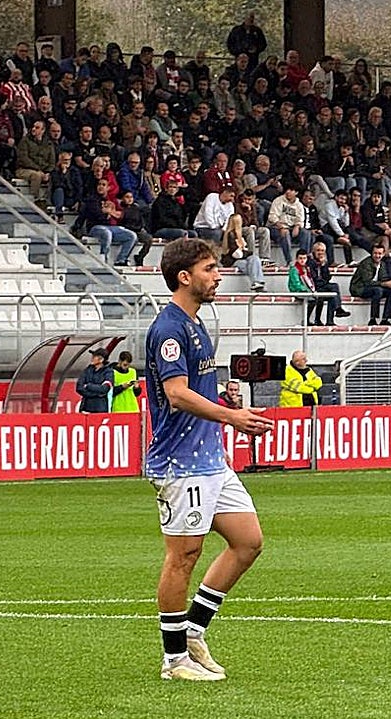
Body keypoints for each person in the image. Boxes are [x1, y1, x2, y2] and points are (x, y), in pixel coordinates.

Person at [145, 238, 273, 682]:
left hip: (210, 460)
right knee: (183, 556)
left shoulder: (196, 324)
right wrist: (231, 416)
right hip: (180, 463)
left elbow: (193, 389)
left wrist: (224, 401)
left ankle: (194, 631)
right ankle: (173, 660)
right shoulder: (169, 329)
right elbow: (176, 394)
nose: (218, 275)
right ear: (185, 277)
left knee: (248, 542)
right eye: (210, 268)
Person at [350, 242, 391, 325]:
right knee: (378, 290)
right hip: (359, 288)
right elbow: (367, 282)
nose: (377, 256)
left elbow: (384, 278)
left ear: (383, 254)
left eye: (380, 253)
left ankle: (386, 319)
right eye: (375, 253)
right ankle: (373, 319)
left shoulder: (382, 264)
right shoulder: (366, 263)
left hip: (375, 286)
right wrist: (385, 284)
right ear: (372, 253)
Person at [76, 347, 114, 412]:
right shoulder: (87, 370)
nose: (92, 358)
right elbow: (79, 387)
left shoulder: (108, 372)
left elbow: (104, 389)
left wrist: (88, 386)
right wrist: (97, 394)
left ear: (101, 359)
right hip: (85, 408)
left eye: (94, 356)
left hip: (100, 409)